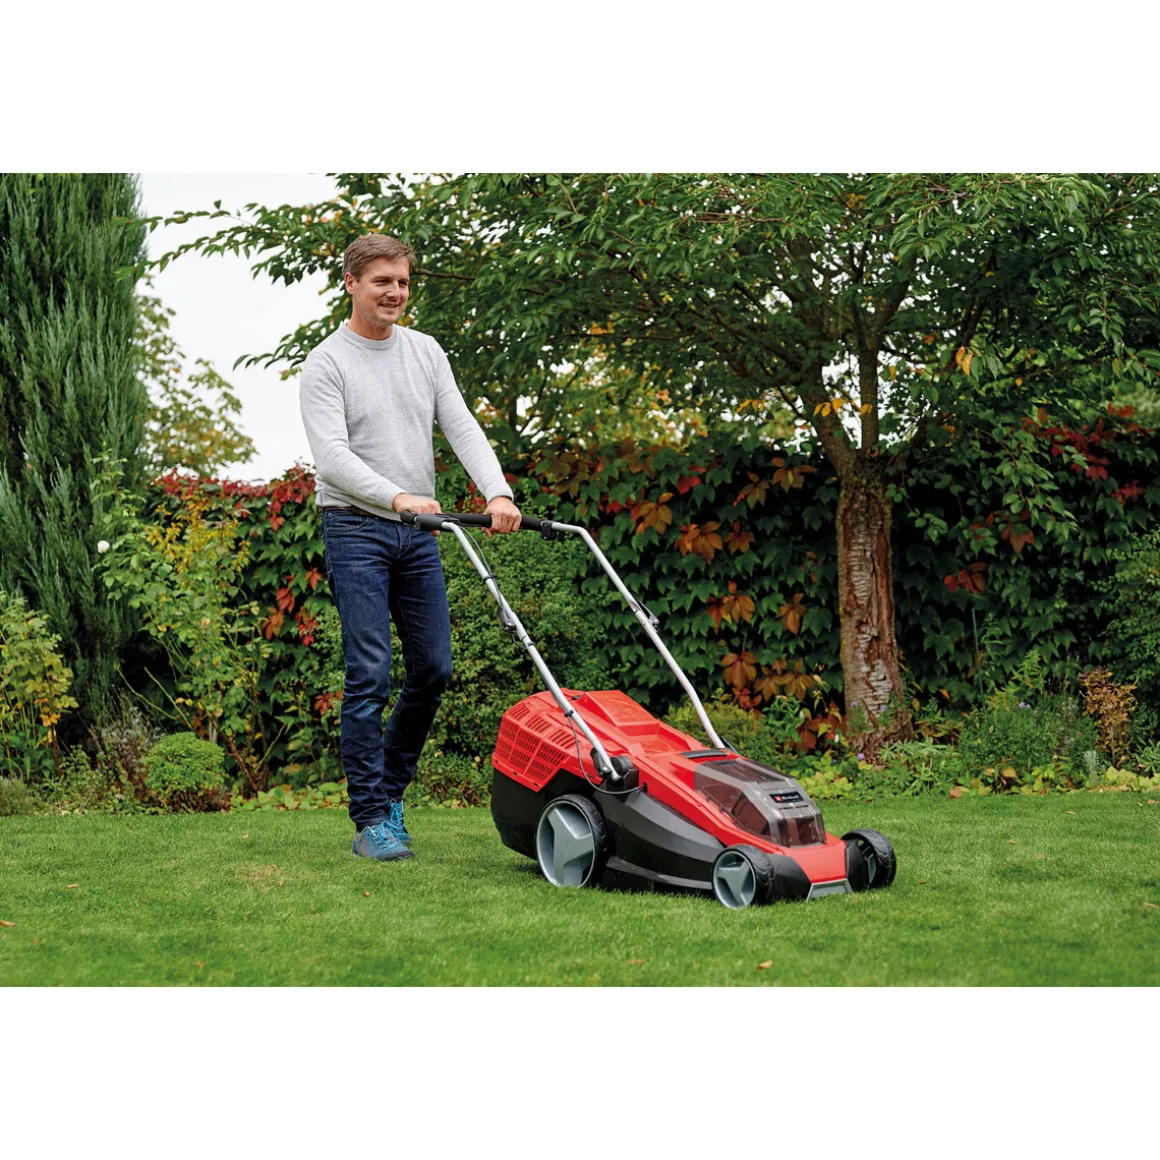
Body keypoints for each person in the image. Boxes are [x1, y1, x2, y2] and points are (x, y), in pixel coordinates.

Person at [299, 233, 522, 862]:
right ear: (351, 283)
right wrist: (396, 496)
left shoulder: (425, 352)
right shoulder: (326, 363)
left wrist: (497, 492)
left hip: (418, 532)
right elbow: (332, 458)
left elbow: (461, 425)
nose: (395, 292)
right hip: (354, 527)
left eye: (402, 281)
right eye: (382, 281)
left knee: (433, 670)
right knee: (369, 674)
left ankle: (390, 792)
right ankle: (370, 818)